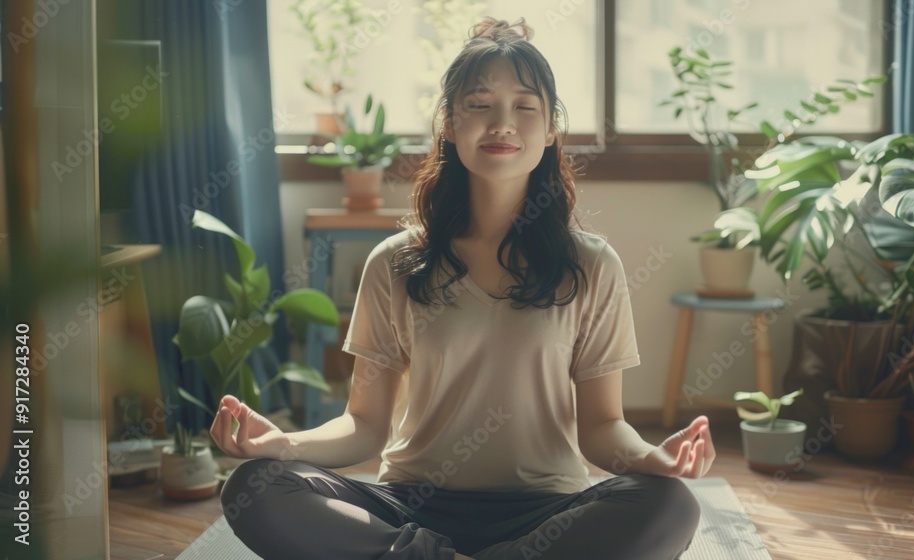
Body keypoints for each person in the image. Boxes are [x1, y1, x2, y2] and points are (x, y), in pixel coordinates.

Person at [213, 17, 714, 560]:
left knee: (671, 503)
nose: (503, 123)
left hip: (545, 511)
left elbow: (602, 428)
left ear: (550, 130)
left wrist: (652, 460)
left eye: (525, 107)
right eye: (480, 105)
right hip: (411, 506)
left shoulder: (590, 264)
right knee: (254, 487)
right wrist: (283, 444)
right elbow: (363, 426)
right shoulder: (395, 262)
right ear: (449, 123)